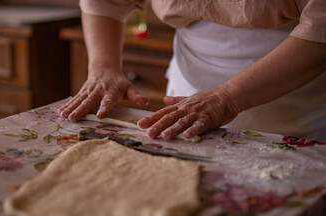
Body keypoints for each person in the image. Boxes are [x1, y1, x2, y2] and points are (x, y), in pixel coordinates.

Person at [58, 0, 326, 141]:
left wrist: (228, 97)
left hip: (295, 104)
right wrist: (102, 68)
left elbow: (320, 25)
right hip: (186, 99)